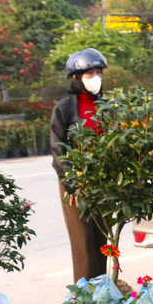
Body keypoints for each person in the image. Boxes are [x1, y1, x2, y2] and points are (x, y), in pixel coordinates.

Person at [50, 47, 109, 282]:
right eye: (89, 73)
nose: (95, 77)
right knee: (83, 242)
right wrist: (71, 182)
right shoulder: (63, 108)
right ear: (76, 78)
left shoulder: (107, 105)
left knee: (102, 239)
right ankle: (84, 298)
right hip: (75, 181)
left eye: (98, 72)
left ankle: (103, 292)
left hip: (101, 180)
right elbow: (57, 149)